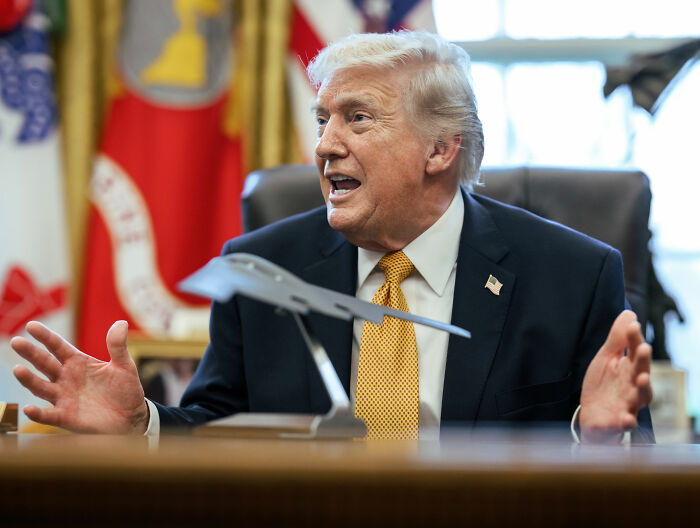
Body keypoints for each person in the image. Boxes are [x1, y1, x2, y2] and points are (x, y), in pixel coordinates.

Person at [11, 31, 653, 443]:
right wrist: (141, 424)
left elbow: (629, 455)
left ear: (440, 147)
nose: (323, 146)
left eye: (357, 119)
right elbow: (220, 428)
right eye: (322, 120)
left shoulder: (571, 275)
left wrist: (597, 442)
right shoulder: (262, 266)